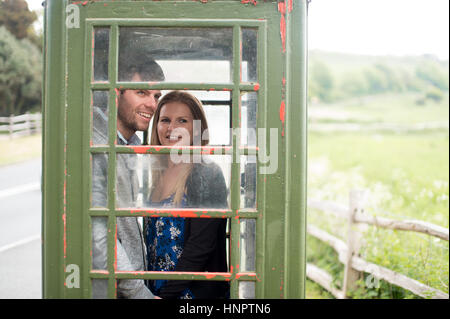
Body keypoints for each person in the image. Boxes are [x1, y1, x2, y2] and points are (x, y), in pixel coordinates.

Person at [144, 91, 230, 299]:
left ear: (197, 128)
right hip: (155, 291)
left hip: (193, 295)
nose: (171, 128)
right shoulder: (157, 174)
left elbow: (201, 246)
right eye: (165, 120)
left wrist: (166, 296)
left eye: (182, 120)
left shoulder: (205, 172)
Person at [91, 57, 164, 299]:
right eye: (141, 92)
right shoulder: (96, 143)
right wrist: (139, 294)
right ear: (116, 92)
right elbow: (98, 231)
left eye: (156, 96)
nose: (152, 105)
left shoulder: (127, 143)